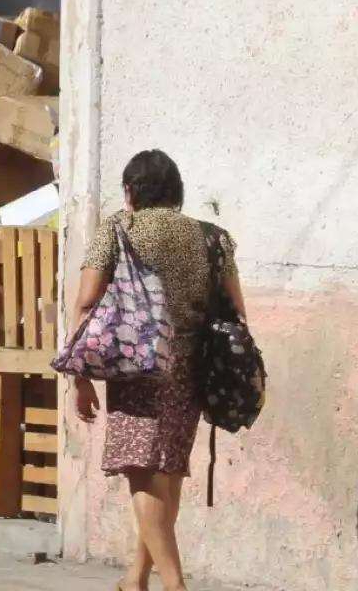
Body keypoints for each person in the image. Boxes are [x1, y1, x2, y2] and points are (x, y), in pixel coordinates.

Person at [71, 149, 246, 591]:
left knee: (142, 470)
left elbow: (87, 302)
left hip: (136, 363)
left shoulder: (118, 227)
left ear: (129, 193)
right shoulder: (213, 237)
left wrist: (80, 376)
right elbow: (236, 312)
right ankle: (137, 577)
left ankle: (174, 584)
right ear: (178, 193)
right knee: (166, 471)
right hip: (191, 364)